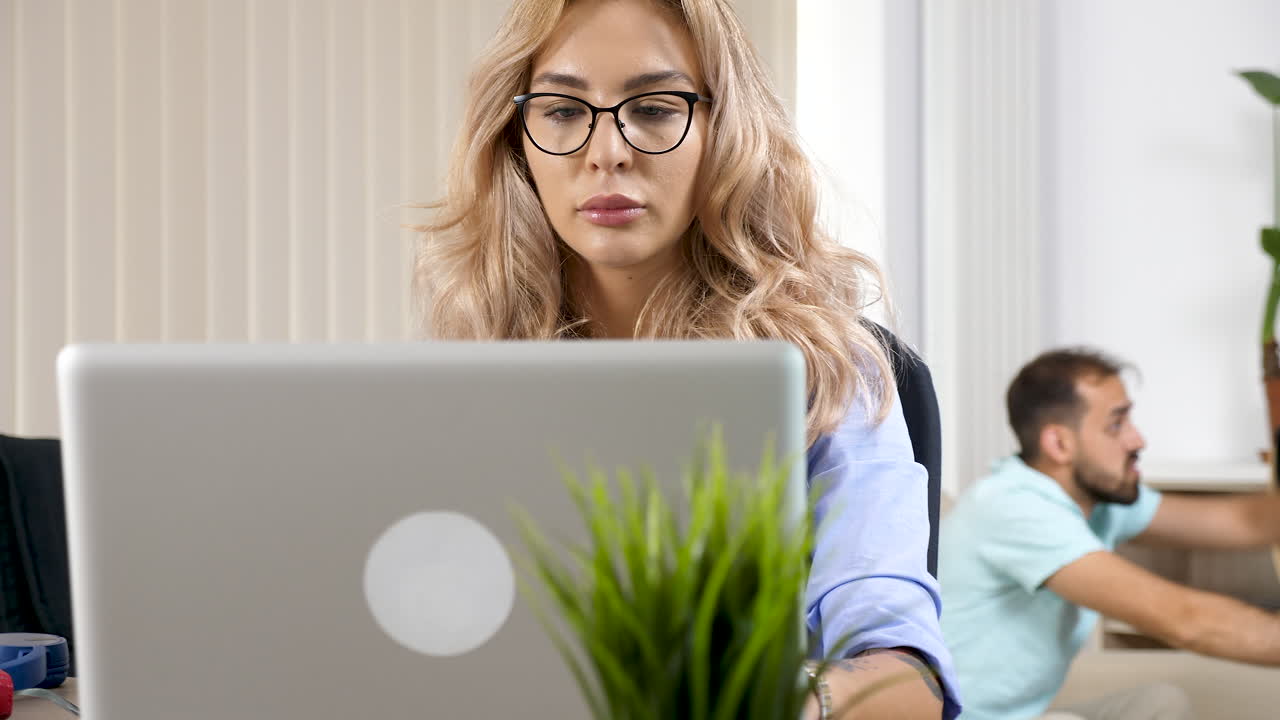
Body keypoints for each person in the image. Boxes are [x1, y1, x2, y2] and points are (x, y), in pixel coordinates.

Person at [413, 0, 959, 717]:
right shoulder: (469, 366)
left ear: (724, 129)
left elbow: (903, 684)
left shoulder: (829, 373)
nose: (606, 150)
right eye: (562, 110)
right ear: (518, 140)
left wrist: (780, 701)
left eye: (654, 107)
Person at [940, 348, 1280, 720]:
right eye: (1116, 425)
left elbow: (1242, 521)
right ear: (1059, 444)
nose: (1137, 440)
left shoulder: (1095, 501)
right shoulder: (1014, 508)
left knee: (1159, 703)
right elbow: (1186, 620)